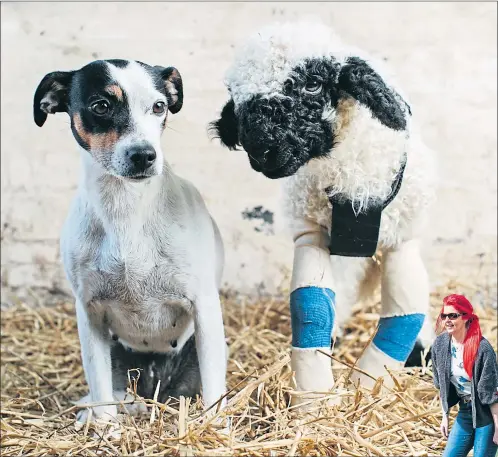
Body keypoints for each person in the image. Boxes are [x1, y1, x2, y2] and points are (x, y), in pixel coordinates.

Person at [431, 294, 498, 457]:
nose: (447, 319)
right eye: (444, 315)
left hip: (487, 415)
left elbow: (492, 394)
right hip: (465, 411)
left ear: (466, 317)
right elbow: (441, 385)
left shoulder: (482, 349)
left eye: (453, 315)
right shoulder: (439, 345)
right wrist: (445, 416)